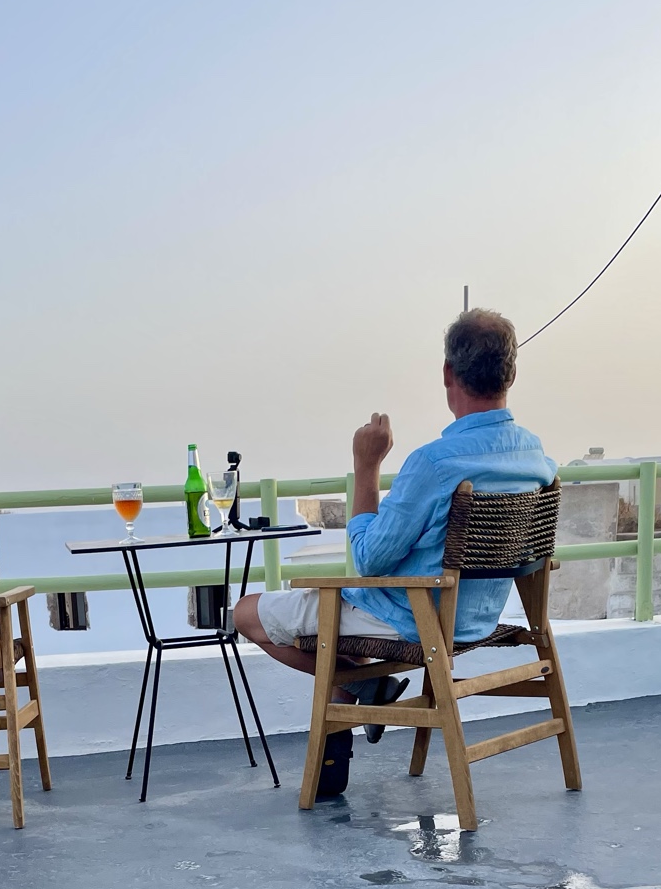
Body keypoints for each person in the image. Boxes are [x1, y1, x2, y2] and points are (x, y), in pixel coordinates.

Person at [234, 308, 557, 797]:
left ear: (448, 373)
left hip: (418, 619)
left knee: (246, 613)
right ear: (511, 374)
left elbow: (369, 560)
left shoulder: (434, 462)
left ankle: (364, 687)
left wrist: (366, 466)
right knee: (337, 631)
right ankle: (353, 706)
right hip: (479, 618)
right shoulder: (535, 456)